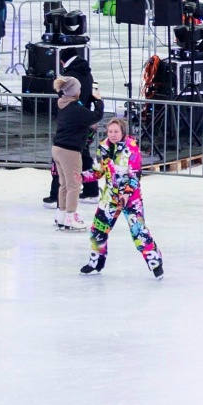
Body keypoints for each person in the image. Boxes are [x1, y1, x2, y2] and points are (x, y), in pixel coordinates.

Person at [80, 116, 163, 278]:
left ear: (122, 132)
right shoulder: (103, 147)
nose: (112, 134)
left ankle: (155, 263)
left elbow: (134, 175)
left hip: (131, 199)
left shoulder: (131, 148)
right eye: (110, 131)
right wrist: (81, 176)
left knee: (138, 232)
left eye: (116, 131)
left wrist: (126, 193)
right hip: (110, 198)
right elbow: (98, 171)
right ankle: (95, 263)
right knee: (98, 231)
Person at [51, 75, 103, 232]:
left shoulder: (63, 104)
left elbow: (82, 121)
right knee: (74, 184)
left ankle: (61, 213)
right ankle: (70, 216)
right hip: (70, 150)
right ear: (74, 91)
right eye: (79, 88)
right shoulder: (75, 108)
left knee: (65, 184)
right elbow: (96, 116)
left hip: (58, 148)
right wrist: (98, 100)